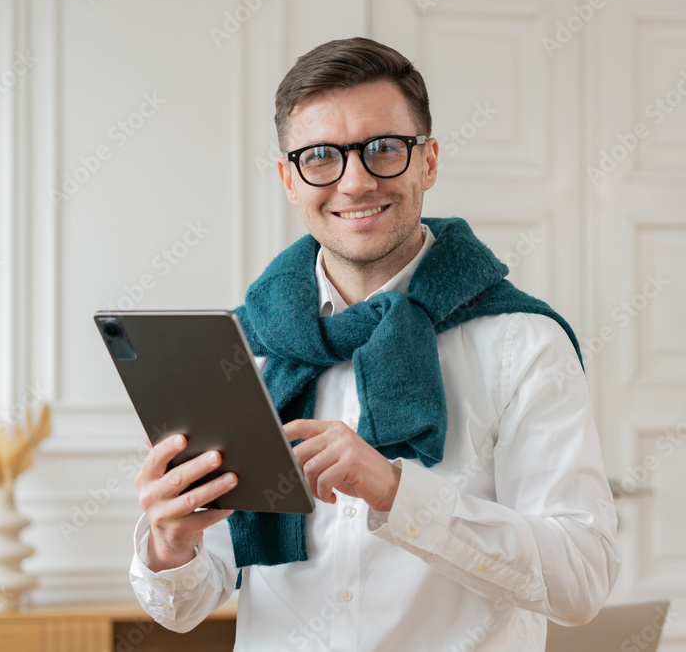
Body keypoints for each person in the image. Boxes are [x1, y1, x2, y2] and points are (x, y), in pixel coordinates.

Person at [129, 37, 620, 651]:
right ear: (289, 178)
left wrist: (396, 492)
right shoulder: (241, 349)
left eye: (384, 148)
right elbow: (189, 604)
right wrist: (171, 544)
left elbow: (581, 579)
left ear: (429, 162)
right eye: (320, 157)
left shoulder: (523, 342)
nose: (355, 181)